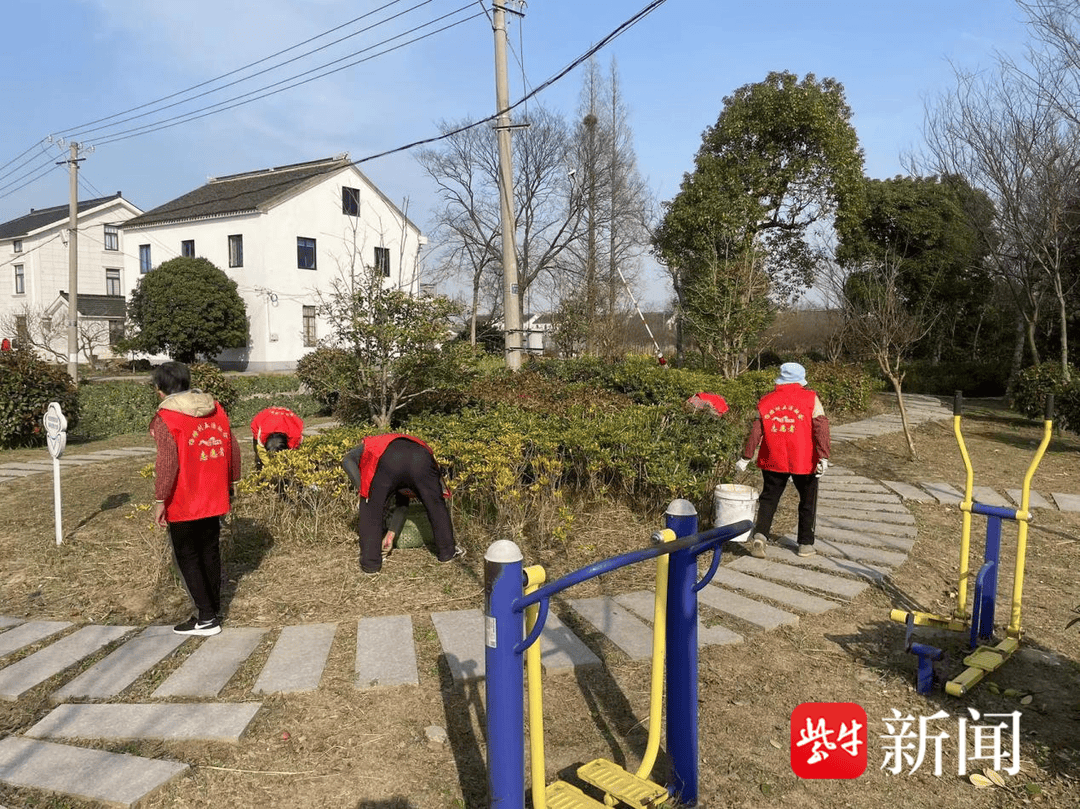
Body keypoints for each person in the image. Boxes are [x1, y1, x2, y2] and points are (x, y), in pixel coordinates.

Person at [149, 361, 241, 636]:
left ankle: (206, 618)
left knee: (187, 556)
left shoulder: (166, 418)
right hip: (214, 494)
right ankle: (211, 609)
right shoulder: (216, 409)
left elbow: (167, 462)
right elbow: (231, 446)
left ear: (160, 391)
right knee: (210, 552)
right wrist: (233, 482)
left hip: (184, 498)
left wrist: (159, 500)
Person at [735, 362, 830, 560]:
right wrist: (823, 455)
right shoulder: (811, 398)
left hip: (772, 457)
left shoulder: (766, 400)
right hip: (805, 459)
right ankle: (804, 544)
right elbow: (821, 427)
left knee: (769, 498)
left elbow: (756, 431)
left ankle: (760, 536)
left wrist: (746, 456)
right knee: (807, 500)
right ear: (801, 379)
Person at [341, 434, 463, 575]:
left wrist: (363, 489)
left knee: (371, 512)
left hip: (388, 461)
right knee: (436, 505)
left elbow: (347, 461)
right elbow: (402, 505)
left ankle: (371, 564)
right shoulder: (410, 444)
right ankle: (447, 552)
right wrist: (390, 536)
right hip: (421, 459)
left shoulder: (369, 446)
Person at [249, 406, 304, 470]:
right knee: (260, 461)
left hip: (287, 422)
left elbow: (294, 451)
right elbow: (260, 450)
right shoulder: (260, 433)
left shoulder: (294, 435)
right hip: (264, 421)